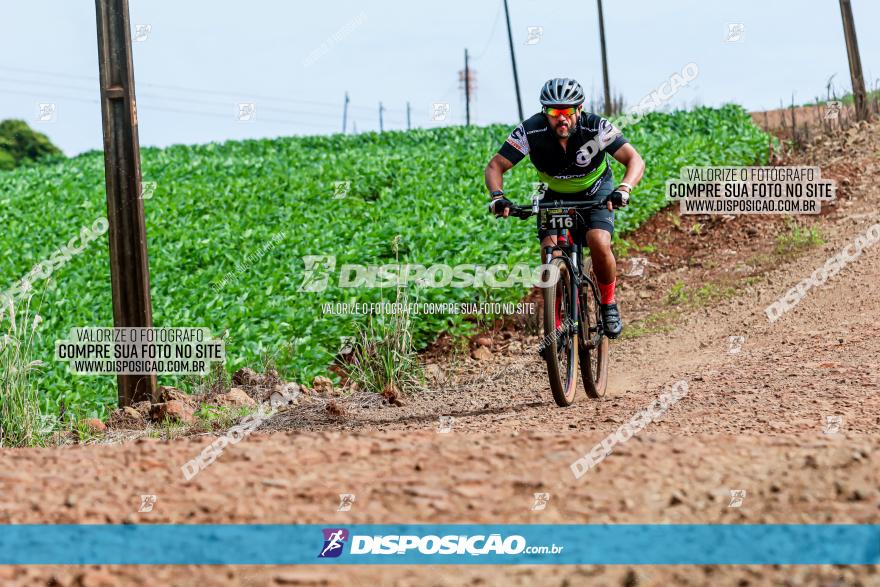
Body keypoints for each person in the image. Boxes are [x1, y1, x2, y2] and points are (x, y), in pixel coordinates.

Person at [484, 77, 645, 338]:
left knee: (598, 241)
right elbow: (495, 166)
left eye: (568, 112)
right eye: (554, 112)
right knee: (549, 252)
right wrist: (498, 196)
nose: (561, 119)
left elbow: (634, 159)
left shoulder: (596, 127)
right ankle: (555, 321)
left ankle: (608, 304)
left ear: (579, 110)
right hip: (553, 193)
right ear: (544, 112)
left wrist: (624, 189)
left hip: (596, 190)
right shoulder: (531, 130)